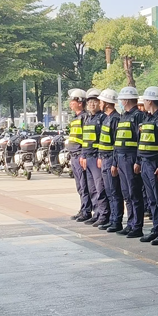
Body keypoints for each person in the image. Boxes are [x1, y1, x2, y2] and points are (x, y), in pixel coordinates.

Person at [137, 86, 158, 246]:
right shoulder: (147, 117)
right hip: (145, 162)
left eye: (145, 99)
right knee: (151, 200)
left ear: (150, 100)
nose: (143, 102)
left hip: (156, 163)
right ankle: (156, 229)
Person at [113, 86, 146, 238]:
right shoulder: (123, 116)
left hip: (131, 158)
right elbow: (117, 141)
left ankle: (137, 226)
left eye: (121, 100)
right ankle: (130, 223)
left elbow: (141, 141)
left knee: (134, 192)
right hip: (121, 158)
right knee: (126, 193)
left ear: (126, 100)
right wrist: (114, 162)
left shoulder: (138, 116)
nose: (120, 102)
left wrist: (138, 160)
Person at [81, 88, 109, 227]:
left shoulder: (103, 118)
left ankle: (104, 215)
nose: (92, 104)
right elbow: (85, 139)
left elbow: (103, 140)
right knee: (92, 188)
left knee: (100, 187)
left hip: (98, 157)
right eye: (90, 102)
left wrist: (99, 156)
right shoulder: (87, 118)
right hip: (88, 157)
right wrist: (83, 155)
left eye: (95, 101)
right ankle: (97, 213)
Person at [96, 88, 123, 232]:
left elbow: (115, 145)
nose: (99, 103)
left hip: (111, 159)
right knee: (109, 191)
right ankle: (112, 219)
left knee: (114, 191)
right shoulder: (106, 118)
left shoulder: (115, 119)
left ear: (106, 103)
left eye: (101, 101)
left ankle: (117, 221)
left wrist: (114, 163)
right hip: (104, 158)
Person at [66, 89, 92, 221]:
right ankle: (83, 208)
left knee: (84, 184)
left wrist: (83, 154)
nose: (71, 103)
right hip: (74, 155)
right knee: (79, 185)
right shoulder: (75, 118)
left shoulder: (84, 117)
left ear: (80, 102)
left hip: (80, 155)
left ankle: (87, 210)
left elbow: (86, 139)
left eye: (73, 100)